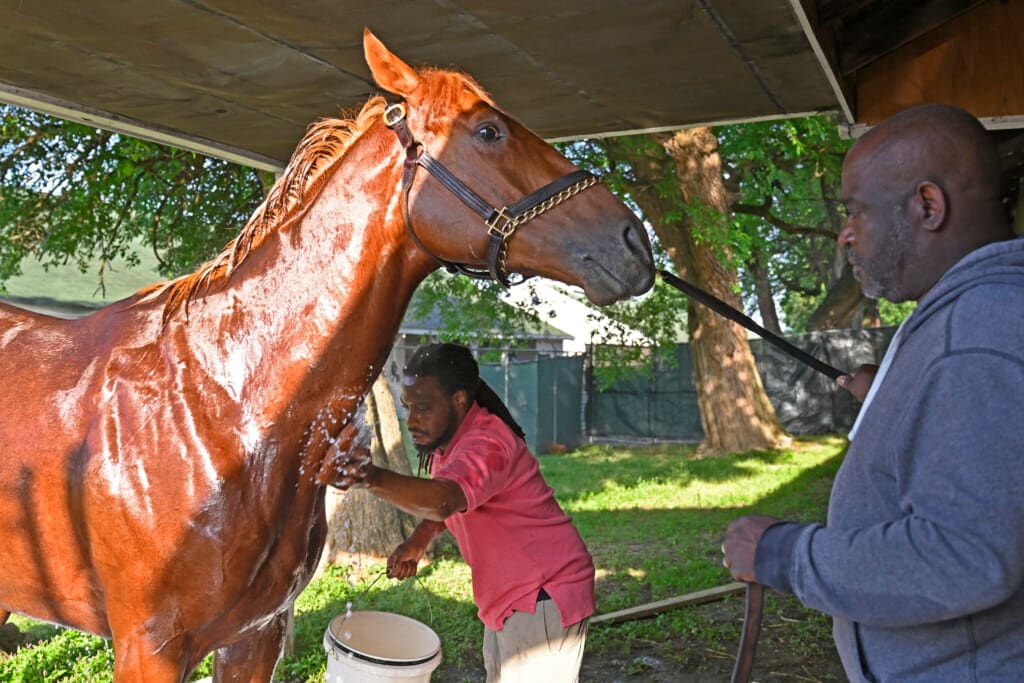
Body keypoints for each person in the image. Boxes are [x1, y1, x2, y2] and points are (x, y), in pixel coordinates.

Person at [722, 103, 1024, 681]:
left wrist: (784, 554)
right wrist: (893, 405)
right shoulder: (976, 316)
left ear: (927, 207)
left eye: (856, 210)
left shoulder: (976, 332)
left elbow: (964, 556)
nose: (846, 233)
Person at [326, 342, 595, 682]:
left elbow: (444, 499)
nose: (412, 421)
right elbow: (453, 504)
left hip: (544, 592)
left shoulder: (487, 444)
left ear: (459, 399)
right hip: (510, 595)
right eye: (408, 407)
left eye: (423, 408)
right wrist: (419, 538)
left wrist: (371, 477)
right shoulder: (449, 444)